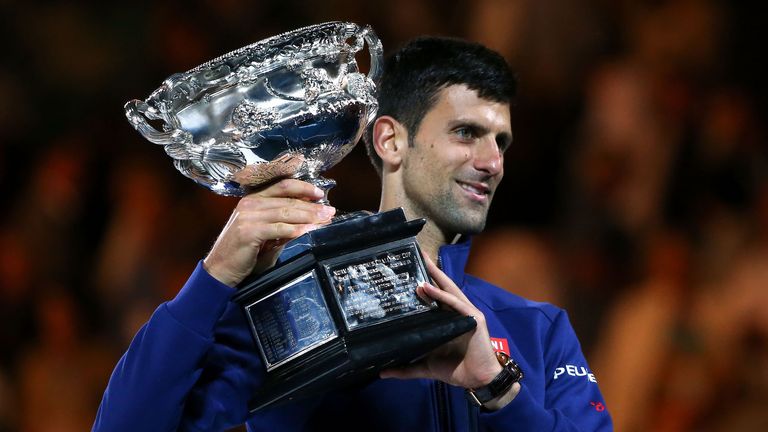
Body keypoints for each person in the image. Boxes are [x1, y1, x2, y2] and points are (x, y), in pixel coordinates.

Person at [94, 36, 612, 431]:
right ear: (390, 140)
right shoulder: (291, 310)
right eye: (467, 133)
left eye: (502, 141)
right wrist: (214, 276)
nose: (492, 162)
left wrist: (499, 389)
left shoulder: (537, 330)